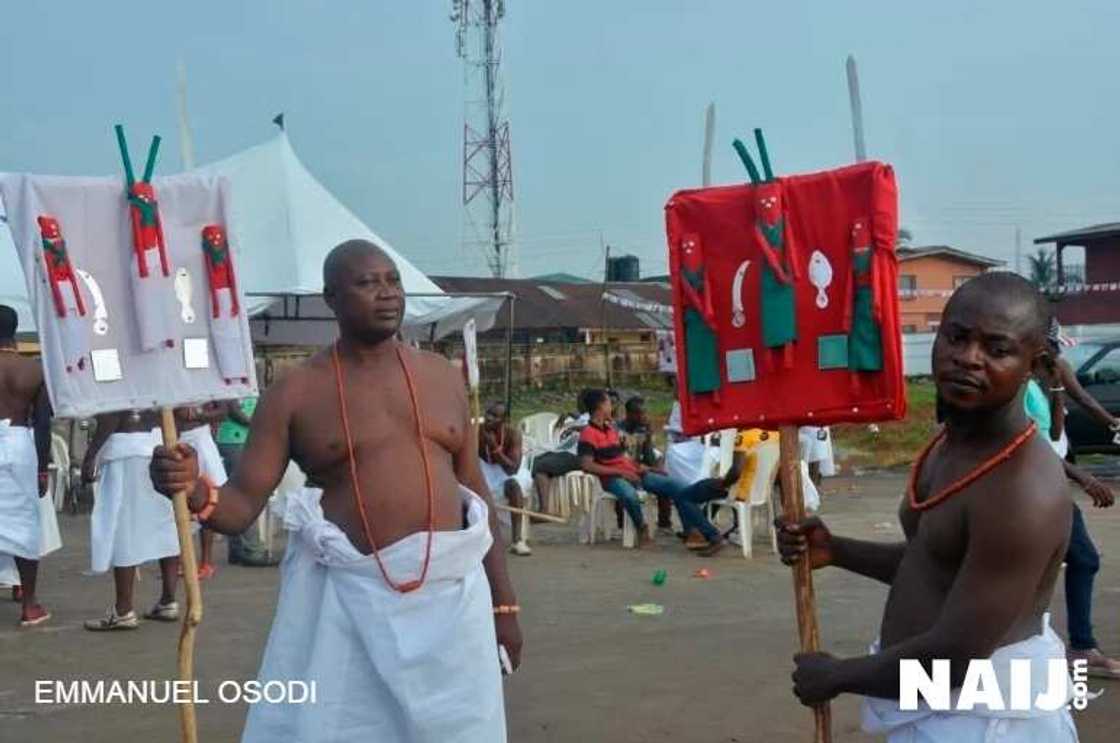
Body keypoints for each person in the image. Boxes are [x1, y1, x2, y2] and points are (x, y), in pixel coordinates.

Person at [150, 239, 519, 741]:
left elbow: (477, 498)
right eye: (367, 283)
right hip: (348, 608)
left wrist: (504, 607)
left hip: (454, 602)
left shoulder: (441, 378)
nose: (386, 294)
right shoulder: (295, 392)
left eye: (392, 281)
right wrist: (193, 489)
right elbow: (238, 508)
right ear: (331, 299)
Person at [780, 273, 1078, 741]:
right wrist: (836, 551)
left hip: (987, 722)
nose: (967, 358)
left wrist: (838, 676)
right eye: (957, 337)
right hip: (940, 713)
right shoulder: (949, 443)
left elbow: (954, 661)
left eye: (996, 349)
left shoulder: (1023, 490)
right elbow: (934, 562)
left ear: (1034, 365)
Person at [1030, 326, 1120, 679]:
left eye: (1055, 345)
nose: (1054, 352)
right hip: (1029, 483)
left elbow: (1079, 407)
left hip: (1050, 480)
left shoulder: (1056, 368)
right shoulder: (1014, 381)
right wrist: (1083, 477)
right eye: (1048, 345)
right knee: (1060, 563)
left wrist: (1115, 425)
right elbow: (1027, 444)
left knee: (1077, 559)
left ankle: (1079, 646)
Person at [82, 409, 181, 630]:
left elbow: (114, 409)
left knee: (124, 527)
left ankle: (123, 610)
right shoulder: (159, 373)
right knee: (165, 524)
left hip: (128, 453)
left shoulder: (123, 372)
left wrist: (90, 456)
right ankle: (168, 600)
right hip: (157, 443)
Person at [578, 389, 688, 548]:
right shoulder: (588, 434)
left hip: (631, 472)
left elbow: (623, 458)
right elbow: (587, 465)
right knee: (629, 495)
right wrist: (620, 472)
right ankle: (641, 528)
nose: (612, 407)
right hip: (612, 478)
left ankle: (690, 530)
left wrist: (646, 468)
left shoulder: (610, 430)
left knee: (674, 485)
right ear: (600, 407)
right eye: (609, 403)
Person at [0, 305, 52, 626]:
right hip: (20, 442)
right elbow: (43, 424)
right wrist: (43, 468)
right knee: (24, 522)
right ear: (16, 331)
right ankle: (29, 605)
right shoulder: (33, 370)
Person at [215, 397, 277, 566]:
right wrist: (259, 425)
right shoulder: (235, 380)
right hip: (236, 439)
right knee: (246, 495)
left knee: (237, 494)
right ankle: (252, 549)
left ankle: (237, 549)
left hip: (240, 439)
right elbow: (233, 410)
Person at [176, 403, 231, 579]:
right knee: (176, 503)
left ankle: (206, 562)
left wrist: (196, 413)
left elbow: (223, 411)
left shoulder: (203, 379)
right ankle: (180, 561)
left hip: (201, 439)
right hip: (174, 440)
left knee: (206, 502)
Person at [479, 401, 533, 556]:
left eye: (495, 416)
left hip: (507, 471)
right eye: (488, 413)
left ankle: (517, 541)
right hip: (483, 470)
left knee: (514, 486)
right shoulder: (476, 431)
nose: (489, 418)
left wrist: (494, 447)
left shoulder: (512, 434)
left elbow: (513, 469)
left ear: (504, 420)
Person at [619, 396, 675, 534]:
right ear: (630, 414)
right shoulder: (618, 431)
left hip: (639, 470)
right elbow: (620, 458)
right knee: (623, 487)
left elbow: (649, 458)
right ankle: (622, 525)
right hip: (621, 470)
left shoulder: (643, 430)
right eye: (640, 413)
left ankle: (664, 524)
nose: (644, 416)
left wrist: (648, 437)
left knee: (664, 483)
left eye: (645, 413)